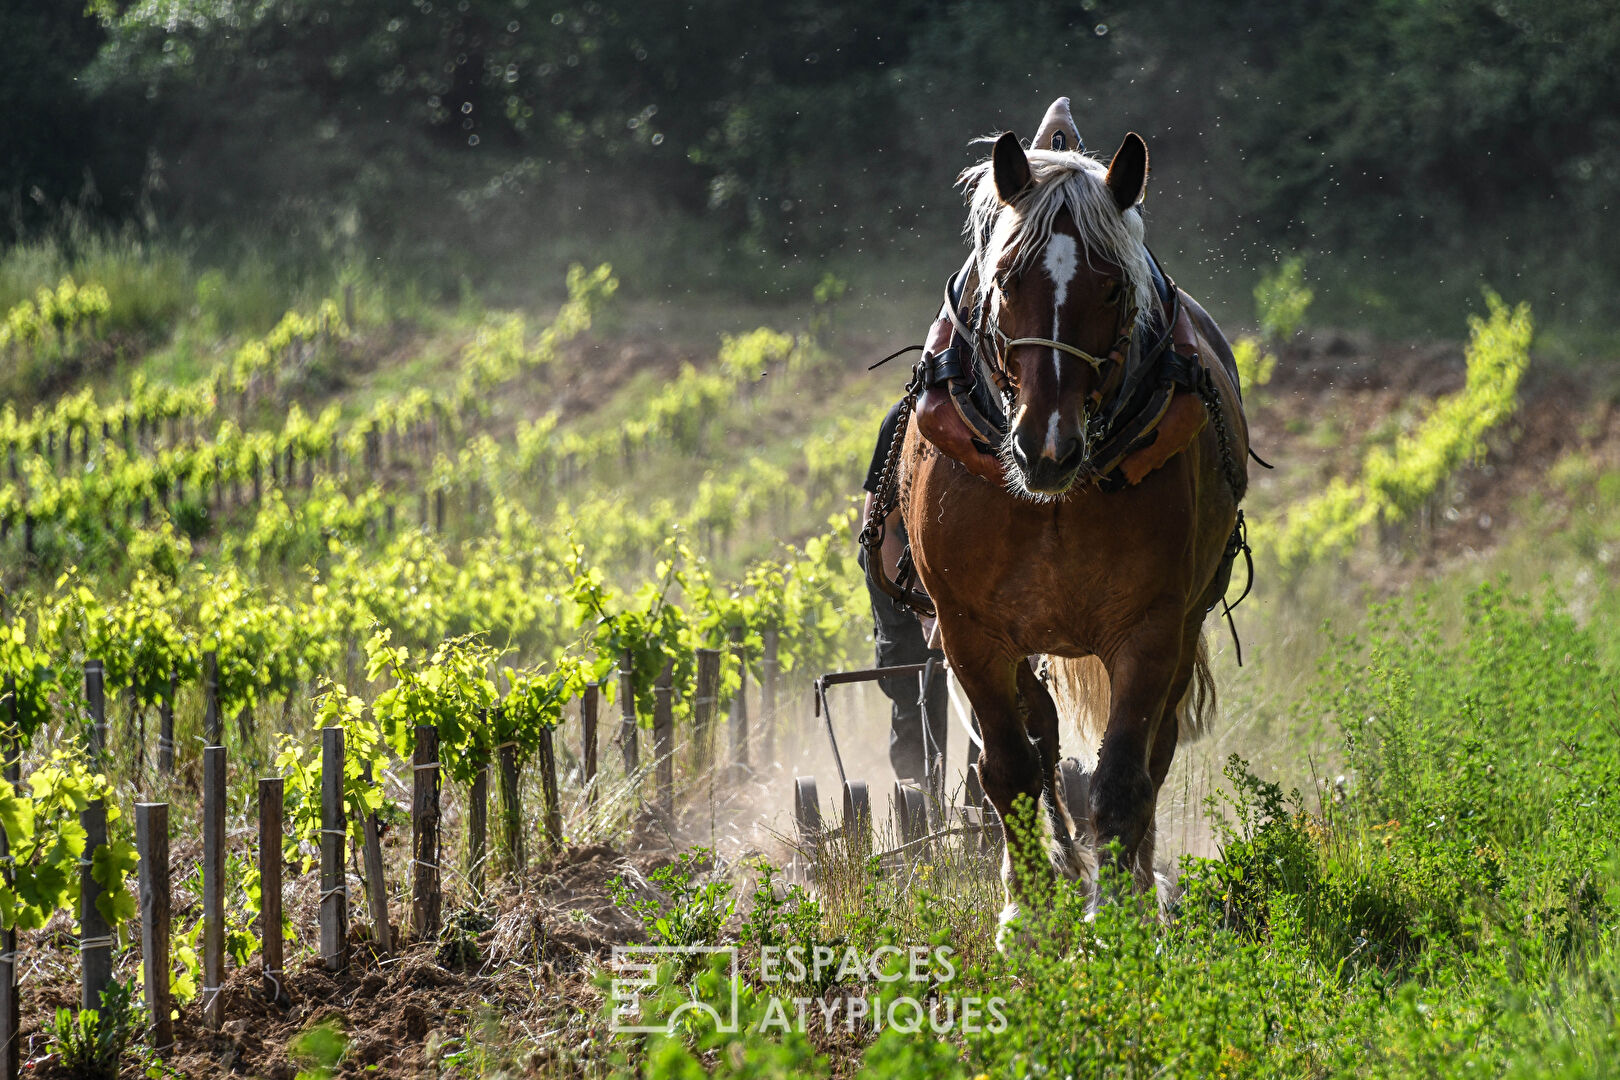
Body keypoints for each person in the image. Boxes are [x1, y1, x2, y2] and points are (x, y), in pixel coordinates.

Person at [859, 400, 949, 784]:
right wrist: (923, 609)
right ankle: (921, 802)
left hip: (967, 568)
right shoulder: (906, 419)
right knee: (917, 691)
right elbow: (877, 529)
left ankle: (988, 812)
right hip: (899, 567)